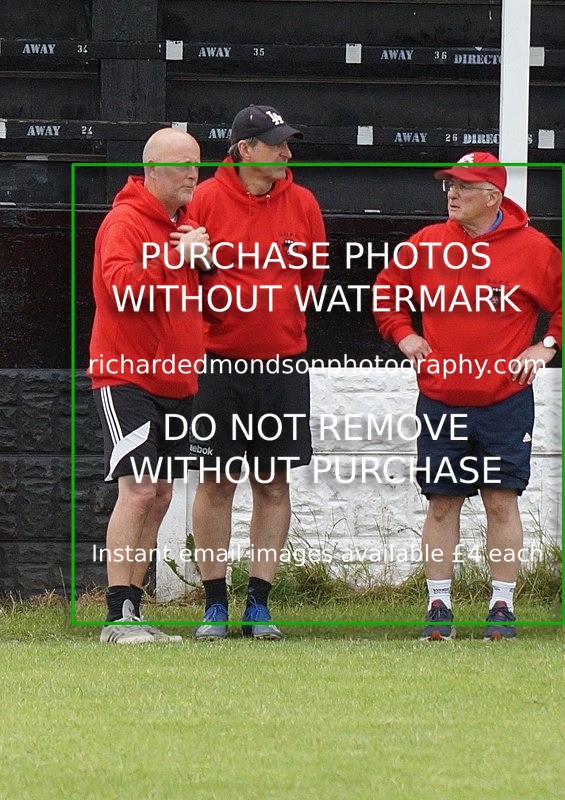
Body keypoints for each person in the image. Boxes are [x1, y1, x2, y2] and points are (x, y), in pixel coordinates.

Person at [372, 152, 565, 641]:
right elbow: (386, 290)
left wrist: (546, 345)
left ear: (493, 196)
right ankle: (438, 606)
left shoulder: (532, 249)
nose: (451, 194)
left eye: (464, 187)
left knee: (500, 502)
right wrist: (403, 335)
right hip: (440, 398)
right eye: (449, 185)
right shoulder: (427, 244)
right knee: (441, 503)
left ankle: (501, 606)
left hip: (504, 400)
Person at [182, 104, 326, 640]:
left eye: (288, 142)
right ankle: (214, 604)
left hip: (284, 365)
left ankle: (258, 604)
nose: (287, 153)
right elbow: (178, 277)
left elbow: (310, 277)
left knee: (272, 483)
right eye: (276, 144)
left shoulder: (305, 203)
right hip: (214, 365)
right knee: (217, 482)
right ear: (245, 149)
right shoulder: (201, 200)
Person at [89, 128, 209, 643]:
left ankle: (133, 613)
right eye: (183, 166)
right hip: (127, 376)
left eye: (197, 166)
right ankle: (116, 616)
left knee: (160, 495)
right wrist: (176, 258)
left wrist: (204, 263)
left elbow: (193, 296)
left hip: (177, 380)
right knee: (137, 490)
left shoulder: (183, 225)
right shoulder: (125, 222)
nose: (192, 176)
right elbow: (121, 289)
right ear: (152, 169)